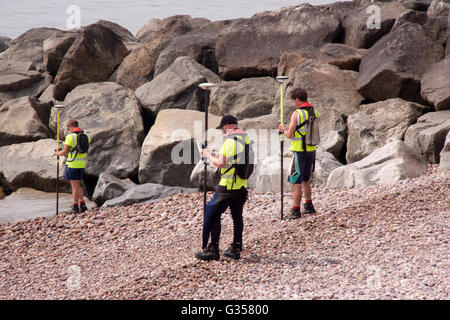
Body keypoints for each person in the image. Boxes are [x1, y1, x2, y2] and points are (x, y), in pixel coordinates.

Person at [195, 115, 249, 261]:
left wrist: (207, 155)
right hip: (241, 186)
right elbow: (231, 159)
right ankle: (236, 247)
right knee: (237, 216)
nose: (223, 132)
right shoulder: (245, 138)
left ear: (227, 126)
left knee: (213, 213)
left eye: (223, 129)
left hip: (227, 186)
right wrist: (213, 154)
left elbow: (220, 163)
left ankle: (213, 249)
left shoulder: (230, 141)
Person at [278, 88, 320, 219]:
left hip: (299, 151)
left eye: (294, 100)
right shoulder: (315, 112)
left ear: (297, 99)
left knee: (296, 181)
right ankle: (309, 205)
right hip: (311, 150)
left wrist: (282, 129)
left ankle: (296, 210)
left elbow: (289, 135)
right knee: (306, 180)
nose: (294, 103)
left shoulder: (297, 114)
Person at [54, 119, 90, 214]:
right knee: (78, 185)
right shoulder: (86, 136)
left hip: (72, 164)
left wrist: (57, 153)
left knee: (74, 186)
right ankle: (82, 205)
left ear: (71, 126)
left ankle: (75, 206)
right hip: (81, 164)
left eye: (68, 127)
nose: (69, 129)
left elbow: (64, 152)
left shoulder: (70, 137)